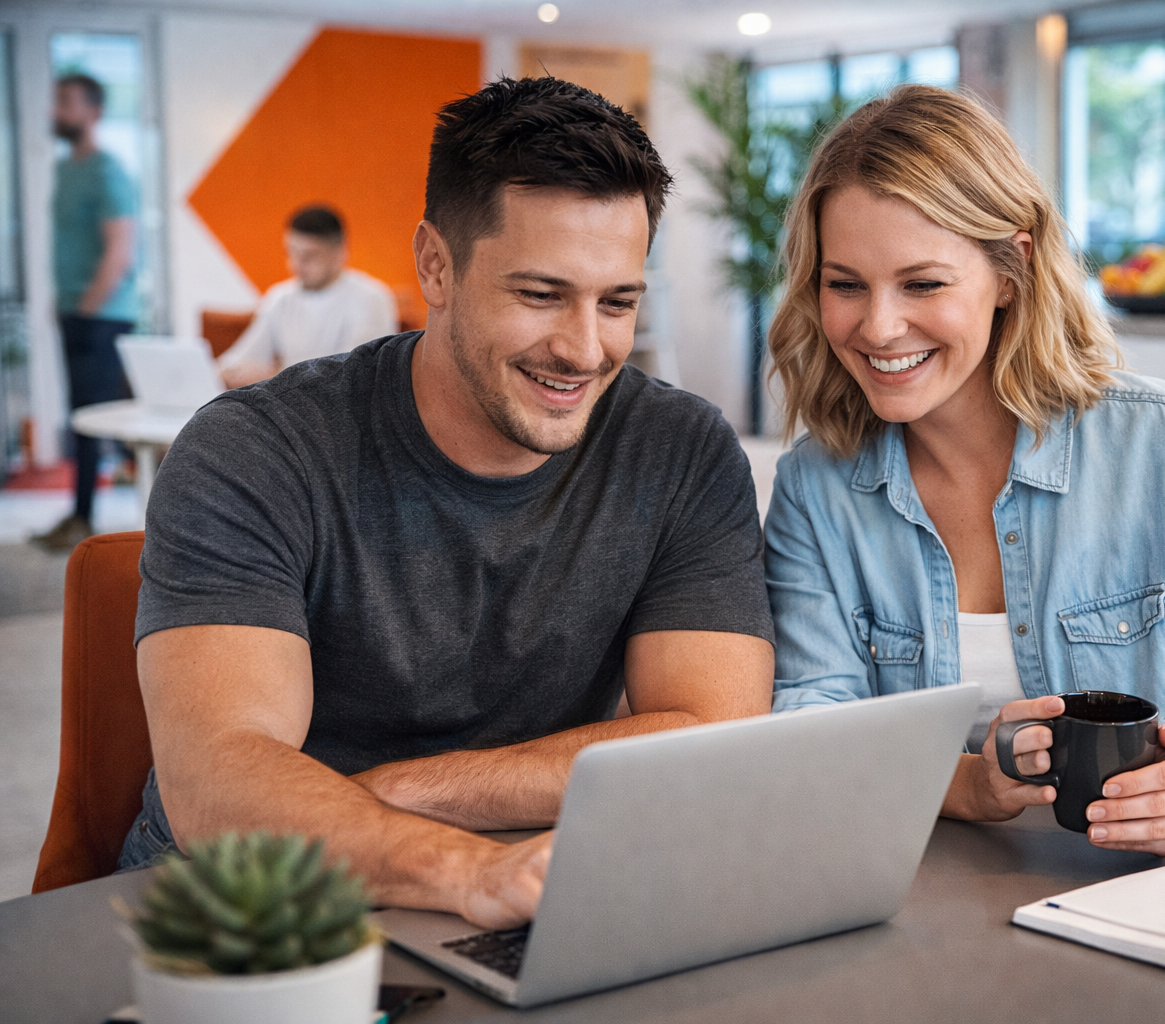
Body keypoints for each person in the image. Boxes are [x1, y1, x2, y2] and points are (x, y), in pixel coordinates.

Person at [119, 77, 775, 929]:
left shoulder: (679, 449)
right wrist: (463, 870)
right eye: (541, 295)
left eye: (617, 302)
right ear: (436, 264)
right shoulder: (254, 450)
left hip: (524, 878)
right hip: (252, 906)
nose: (584, 350)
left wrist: (400, 796)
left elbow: (709, 734)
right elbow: (218, 783)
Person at [764, 86, 1165, 855]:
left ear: (1011, 269)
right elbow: (813, 731)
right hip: (953, 903)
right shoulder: (816, 485)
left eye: (923, 283)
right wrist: (969, 785)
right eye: (845, 284)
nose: (877, 326)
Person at [32, 73, 137, 553]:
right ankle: (78, 514)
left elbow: (120, 248)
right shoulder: (67, 169)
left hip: (102, 316)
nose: (57, 110)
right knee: (81, 419)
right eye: (56, 100)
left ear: (93, 111)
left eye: (67, 102)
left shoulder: (106, 171)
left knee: (93, 421)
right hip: (78, 313)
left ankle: (84, 517)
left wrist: (89, 306)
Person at [218, 205, 398, 388]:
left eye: (309, 256)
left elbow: (354, 375)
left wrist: (274, 375)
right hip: (287, 406)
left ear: (340, 252)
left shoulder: (371, 298)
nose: (296, 265)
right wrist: (223, 371)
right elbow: (243, 356)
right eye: (291, 252)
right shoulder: (280, 297)